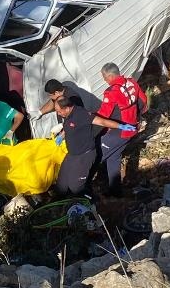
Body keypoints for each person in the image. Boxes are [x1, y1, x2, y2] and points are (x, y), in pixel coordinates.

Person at [51, 96, 133, 196]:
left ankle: (89, 201)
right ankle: (61, 204)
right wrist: (61, 136)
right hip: (72, 154)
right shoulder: (67, 116)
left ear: (67, 108)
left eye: (59, 111)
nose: (58, 114)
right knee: (61, 185)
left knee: (76, 187)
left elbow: (102, 121)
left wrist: (120, 126)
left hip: (84, 155)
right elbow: (67, 126)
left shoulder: (81, 114)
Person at [96, 63, 146, 195]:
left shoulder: (111, 92)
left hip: (119, 131)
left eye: (105, 78)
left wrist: (87, 120)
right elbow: (143, 101)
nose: (104, 81)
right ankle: (115, 191)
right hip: (132, 128)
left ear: (111, 76)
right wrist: (136, 116)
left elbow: (103, 115)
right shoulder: (131, 83)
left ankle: (81, 190)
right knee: (113, 157)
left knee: (96, 156)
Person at [35, 79, 103, 119]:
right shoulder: (59, 94)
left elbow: (76, 117)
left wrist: (63, 128)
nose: (50, 97)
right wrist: (39, 112)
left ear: (56, 92)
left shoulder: (72, 98)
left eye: (50, 95)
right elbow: (51, 102)